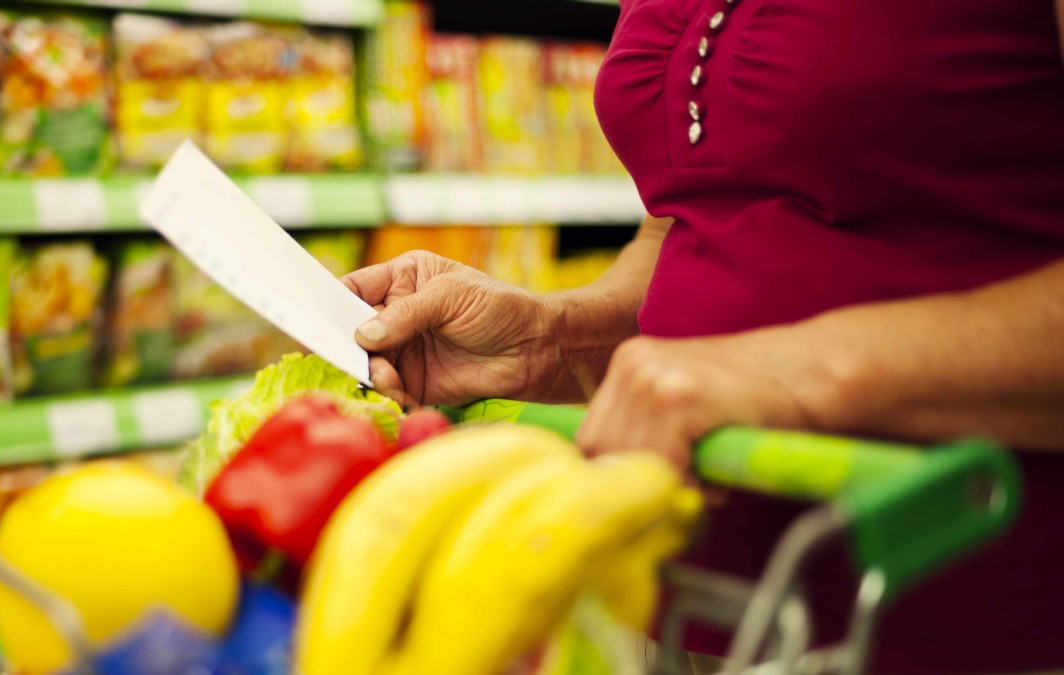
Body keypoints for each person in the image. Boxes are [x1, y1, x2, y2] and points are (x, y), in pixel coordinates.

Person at [343, 0, 1064, 673]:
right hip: (695, 603)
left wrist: (790, 374)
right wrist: (557, 337)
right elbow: (691, 219)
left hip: (968, 615)